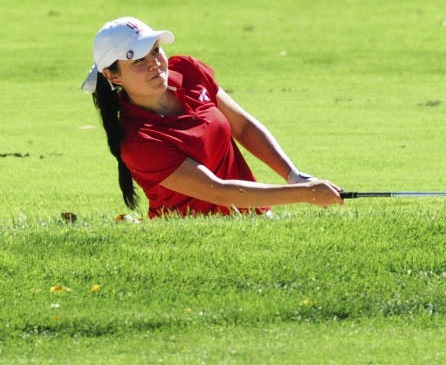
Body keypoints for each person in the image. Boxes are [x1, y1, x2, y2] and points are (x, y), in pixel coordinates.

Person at [81, 16, 343, 218]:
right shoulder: (138, 141)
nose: (154, 63)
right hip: (191, 243)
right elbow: (217, 190)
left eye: (154, 50)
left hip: (256, 216)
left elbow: (242, 126)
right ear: (112, 76)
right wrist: (306, 193)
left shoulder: (188, 71)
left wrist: (293, 175)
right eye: (137, 60)